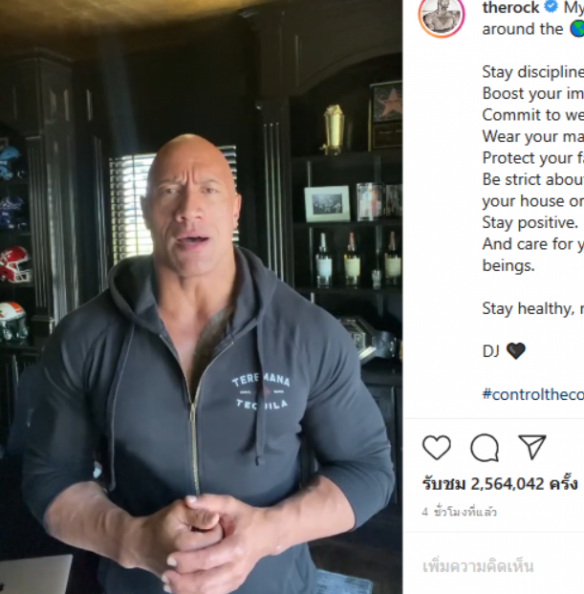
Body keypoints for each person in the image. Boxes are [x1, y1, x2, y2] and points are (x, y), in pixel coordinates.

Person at [22, 135, 395, 594]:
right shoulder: (82, 336)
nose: (188, 209)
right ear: (146, 210)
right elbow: (50, 478)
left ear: (235, 209)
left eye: (209, 190)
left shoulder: (309, 332)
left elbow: (367, 470)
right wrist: (133, 540)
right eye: (169, 190)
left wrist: (268, 533)